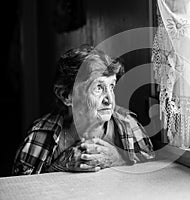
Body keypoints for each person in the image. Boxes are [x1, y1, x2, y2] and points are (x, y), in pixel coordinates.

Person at [12, 44, 155, 175]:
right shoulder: (41, 134)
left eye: (111, 86)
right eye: (98, 88)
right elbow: (19, 187)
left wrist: (119, 158)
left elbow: (151, 167)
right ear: (66, 96)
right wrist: (58, 166)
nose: (110, 100)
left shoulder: (127, 124)